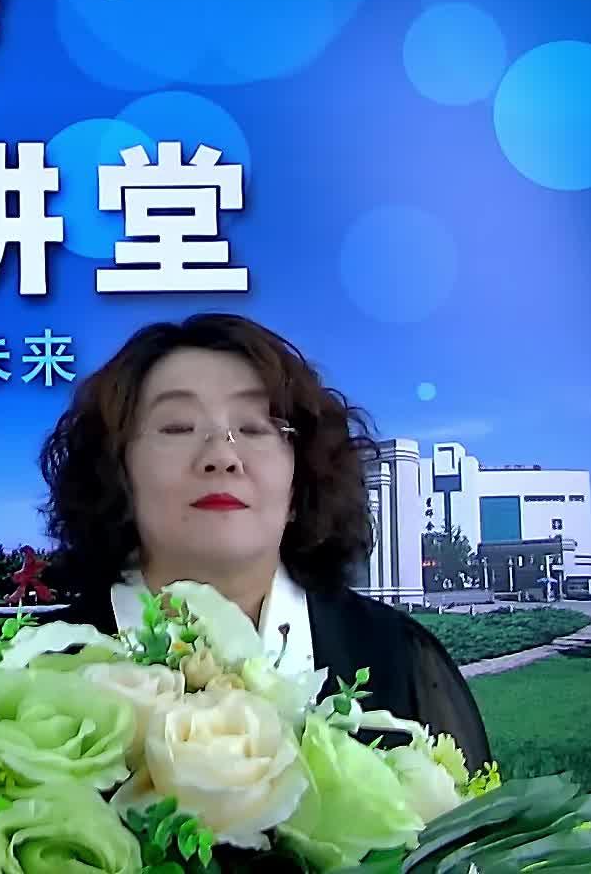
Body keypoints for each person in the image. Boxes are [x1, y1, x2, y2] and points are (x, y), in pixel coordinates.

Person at [39, 312, 491, 767]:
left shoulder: (400, 660)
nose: (221, 456)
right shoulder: (34, 669)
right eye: (177, 427)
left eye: (254, 427)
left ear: (302, 478)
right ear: (114, 470)